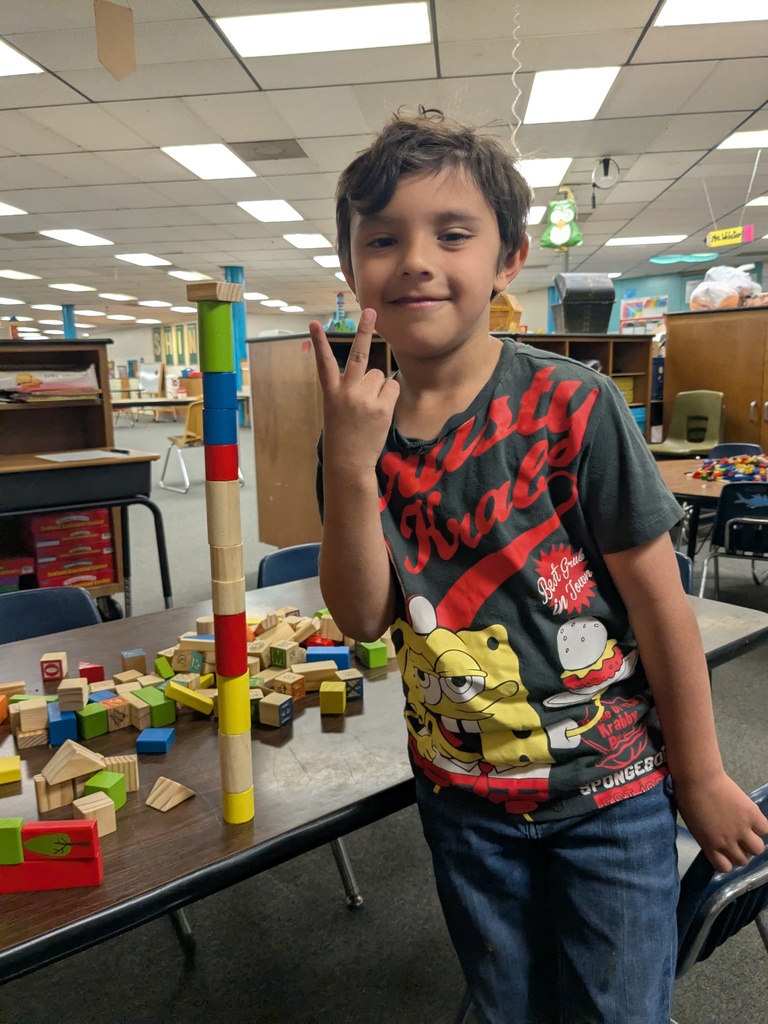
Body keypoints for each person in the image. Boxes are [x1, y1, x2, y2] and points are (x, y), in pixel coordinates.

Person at [309, 109, 767, 1024]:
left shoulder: (574, 404)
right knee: (506, 1004)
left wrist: (703, 774)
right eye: (383, 238)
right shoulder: (357, 425)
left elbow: (663, 605)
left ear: (509, 259)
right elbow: (362, 616)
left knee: (618, 1011)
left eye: (452, 233)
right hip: (462, 797)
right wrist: (351, 463)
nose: (415, 259)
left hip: (611, 791)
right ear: (353, 265)